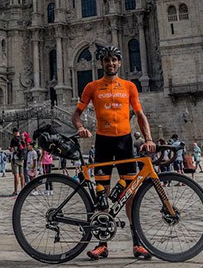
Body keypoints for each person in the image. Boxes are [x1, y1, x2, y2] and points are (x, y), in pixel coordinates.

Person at [72, 45, 156, 260]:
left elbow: (140, 114)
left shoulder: (129, 86)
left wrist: (148, 139)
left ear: (119, 62)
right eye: (107, 60)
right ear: (102, 63)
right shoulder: (92, 87)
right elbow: (77, 115)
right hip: (103, 143)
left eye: (114, 60)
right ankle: (102, 244)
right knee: (103, 195)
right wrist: (80, 127)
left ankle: (137, 243)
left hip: (125, 142)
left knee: (130, 194)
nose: (110, 63)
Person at [9, 128, 26, 195]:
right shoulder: (22, 139)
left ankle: (15, 191)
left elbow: (12, 149)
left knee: (16, 175)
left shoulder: (14, 139)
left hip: (15, 158)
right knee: (22, 175)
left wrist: (10, 148)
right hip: (21, 158)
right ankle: (23, 189)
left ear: (14, 132)